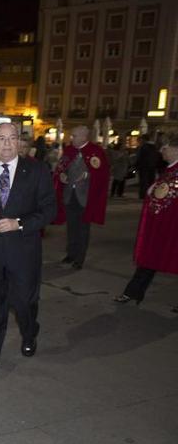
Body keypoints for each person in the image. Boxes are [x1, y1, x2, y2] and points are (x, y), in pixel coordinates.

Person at [0, 122, 56, 367]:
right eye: (1, 138)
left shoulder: (37, 171)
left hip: (23, 250)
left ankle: (29, 333)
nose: (6, 143)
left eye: (11, 138)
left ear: (19, 142)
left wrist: (20, 223)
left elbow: (49, 210)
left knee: (24, 302)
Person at [114, 131, 178, 309]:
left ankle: (133, 292)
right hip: (160, 226)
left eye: (165, 149)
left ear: (175, 150)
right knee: (149, 259)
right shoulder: (169, 170)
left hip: (171, 227)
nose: (161, 152)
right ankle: (133, 292)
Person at [52, 125, 109, 270]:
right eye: (72, 135)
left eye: (74, 136)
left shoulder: (95, 151)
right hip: (69, 195)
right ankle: (70, 254)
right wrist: (62, 174)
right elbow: (61, 167)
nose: (71, 138)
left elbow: (102, 173)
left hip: (85, 197)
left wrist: (89, 175)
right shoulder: (69, 150)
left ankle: (79, 258)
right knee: (71, 228)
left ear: (84, 136)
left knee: (83, 229)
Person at [135, 133, 161, 200]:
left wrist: (136, 166)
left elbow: (139, 158)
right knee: (150, 181)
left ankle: (143, 195)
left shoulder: (143, 147)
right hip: (152, 166)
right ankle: (150, 194)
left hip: (144, 167)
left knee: (144, 182)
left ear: (143, 139)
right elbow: (157, 156)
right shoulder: (154, 146)